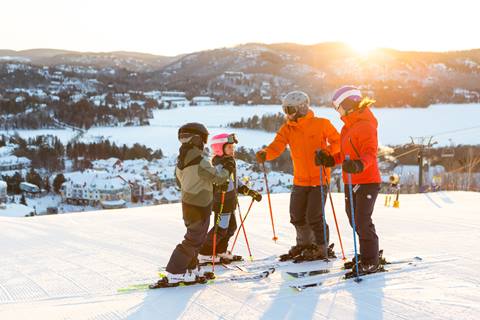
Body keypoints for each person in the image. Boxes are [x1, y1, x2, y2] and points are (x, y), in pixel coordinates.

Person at [256, 91, 340, 260]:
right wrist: (266, 154)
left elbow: (338, 141)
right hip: (300, 179)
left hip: (319, 178)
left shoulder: (322, 123)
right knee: (297, 215)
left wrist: (326, 153)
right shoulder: (288, 128)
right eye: (285, 110)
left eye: (290, 109)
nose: (287, 114)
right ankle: (304, 244)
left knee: (314, 216)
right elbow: (277, 146)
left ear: (302, 107)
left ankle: (321, 247)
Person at [315, 85, 381, 274]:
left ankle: (371, 260)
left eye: (339, 107)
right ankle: (366, 254)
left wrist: (360, 165)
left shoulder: (366, 125)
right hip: (350, 180)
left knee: (362, 220)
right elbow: (344, 156)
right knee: (354, 219)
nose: (338, 111)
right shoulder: (347, 127)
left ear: (348, 103)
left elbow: (370, 153)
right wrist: (329, 160)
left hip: (367, 180)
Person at [159, 123, 231, 285]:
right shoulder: (199, 161)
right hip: (200, 206)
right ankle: (175, 272)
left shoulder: (181, 161)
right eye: (203, 139)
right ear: (196, 139)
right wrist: (227, 168)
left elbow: (180, 182)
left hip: (188, 204)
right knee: (193, 240)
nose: (204, 143)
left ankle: (191, 267)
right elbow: (218, 177)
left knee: (195, 238)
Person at [198, 133, 262, 264]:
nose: (232, 150)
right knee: (220, 229)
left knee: (231, 227)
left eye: (233, 147)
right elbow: (219, 180)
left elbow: (235, 181)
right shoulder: (218, 165)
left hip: (230, 201)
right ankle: (205, 253)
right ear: (219, 148)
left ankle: (220, 251)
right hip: (222, 201)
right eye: (229, 147)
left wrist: (248, 191)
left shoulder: (229, 162)